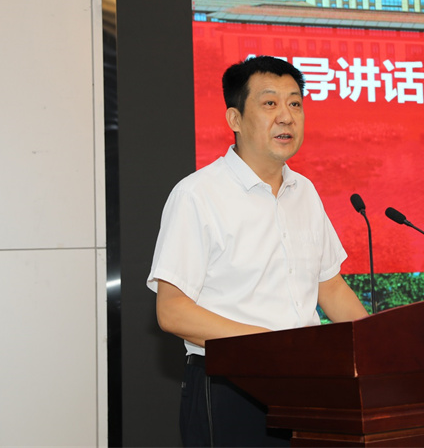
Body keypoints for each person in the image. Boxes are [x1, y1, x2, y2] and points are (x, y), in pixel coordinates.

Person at [147, 55, 368, 447]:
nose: (286, 117)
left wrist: (378, 351)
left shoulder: (305, 192)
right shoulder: (198, 195)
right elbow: (172, 310)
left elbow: (330, 287)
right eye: (270, 103)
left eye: (295, 103)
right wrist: (269, 346)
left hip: (307, 384)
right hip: (231, 387)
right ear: (235, 119)